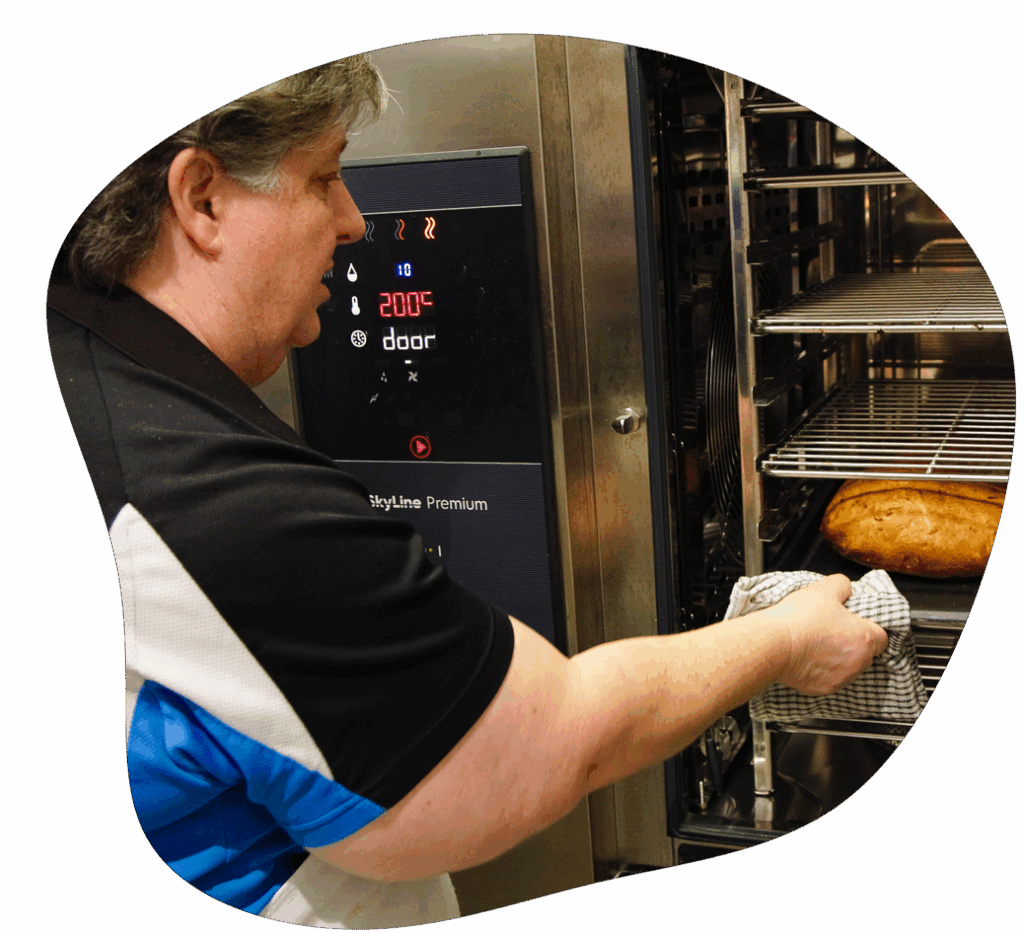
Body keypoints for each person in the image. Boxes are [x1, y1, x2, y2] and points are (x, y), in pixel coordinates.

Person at [47, 55, 889, 926]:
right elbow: (544, 743)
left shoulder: (81, 360)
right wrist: (787, 637)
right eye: (325, 178)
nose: (355, 222)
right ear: (202, 198)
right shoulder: (214, 505)